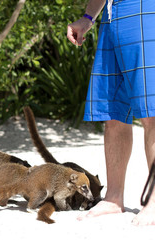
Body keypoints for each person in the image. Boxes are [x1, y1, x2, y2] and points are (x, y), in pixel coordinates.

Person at [67, 0, 155, 226]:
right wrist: (88, 18)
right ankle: (114, 198)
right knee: (113, 113)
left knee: (151, 113)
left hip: (145, 9)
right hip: (111, 14)